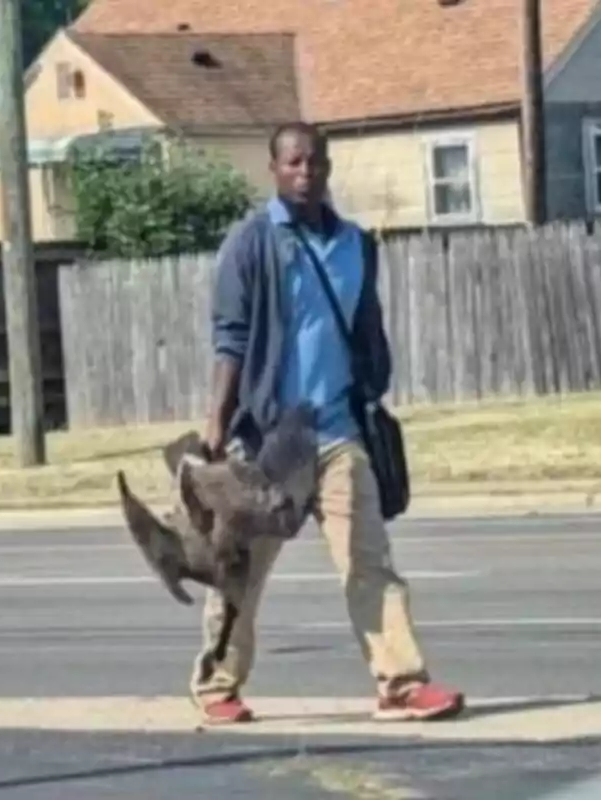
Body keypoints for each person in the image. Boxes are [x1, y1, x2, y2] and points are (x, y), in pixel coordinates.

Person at [191, 120, 466, 725]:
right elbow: (230, 336)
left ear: (329, 167)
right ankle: (218, 687)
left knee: (371, 561)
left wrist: (372, 388)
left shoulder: (355, 245)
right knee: (241, 572)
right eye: (292, 163)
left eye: (314, 162)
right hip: (268, 442)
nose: (304, 172)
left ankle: (401, 683)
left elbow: (366, 326)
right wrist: (217, 418)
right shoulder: (251, 242)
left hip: (339, 432)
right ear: (273, 169)